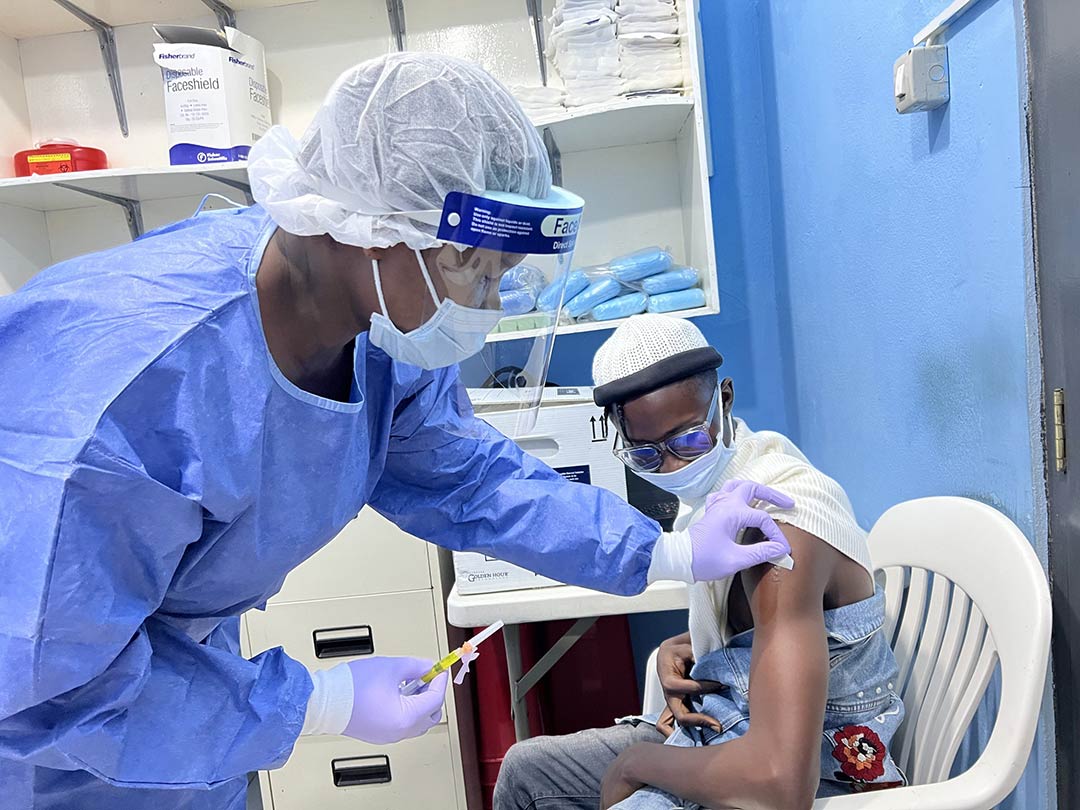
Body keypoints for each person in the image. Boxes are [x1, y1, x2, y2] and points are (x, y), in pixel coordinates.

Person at [0, 55, 792, 810]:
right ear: (371, 227)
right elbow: (48, 682)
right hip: (44, 750)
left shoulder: (378, 326)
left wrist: (663, 549)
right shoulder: (128, 389)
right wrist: (323, 700)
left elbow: (470, 478)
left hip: (180, 711)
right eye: (471, 267)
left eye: (500, 277)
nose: (484, 305)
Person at [494, 314, 907, 810]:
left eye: (689, 441)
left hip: (813, 773)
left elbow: (780, 784)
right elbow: (783, 629)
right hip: (728, 723)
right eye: (647, 457)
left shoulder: (778, 529)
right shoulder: (718, 495)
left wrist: (635, 764)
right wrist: (694, 644)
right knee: (524, 770)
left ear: (725, 400)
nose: (673, 467)